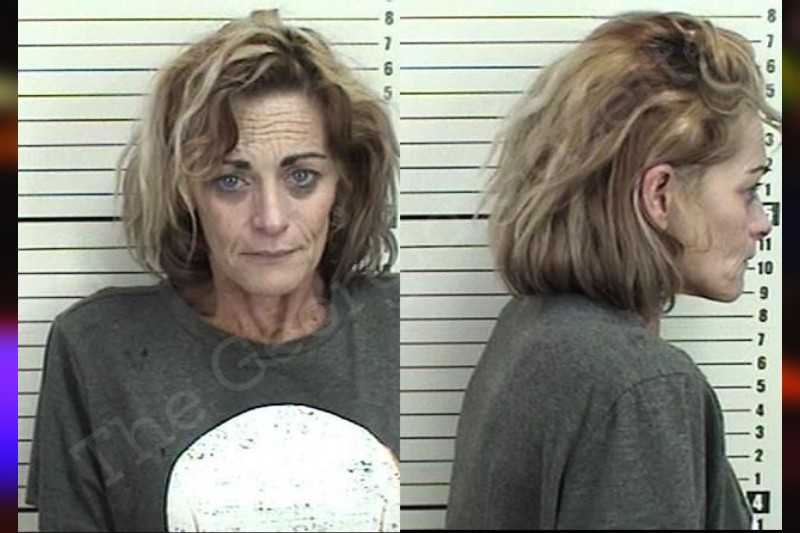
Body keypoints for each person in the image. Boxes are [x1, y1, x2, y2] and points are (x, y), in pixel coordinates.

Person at [26, 10, 399, 532]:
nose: (271, 219)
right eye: (231, 181)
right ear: (186, 192)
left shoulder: (397, 325)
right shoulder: (97, 348)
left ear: (344, 185)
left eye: (301, 177)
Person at [446, 11, 779, 530]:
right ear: (660, 195)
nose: (762, 223)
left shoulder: (531, 330)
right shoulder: (641, 387)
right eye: (748, 189)